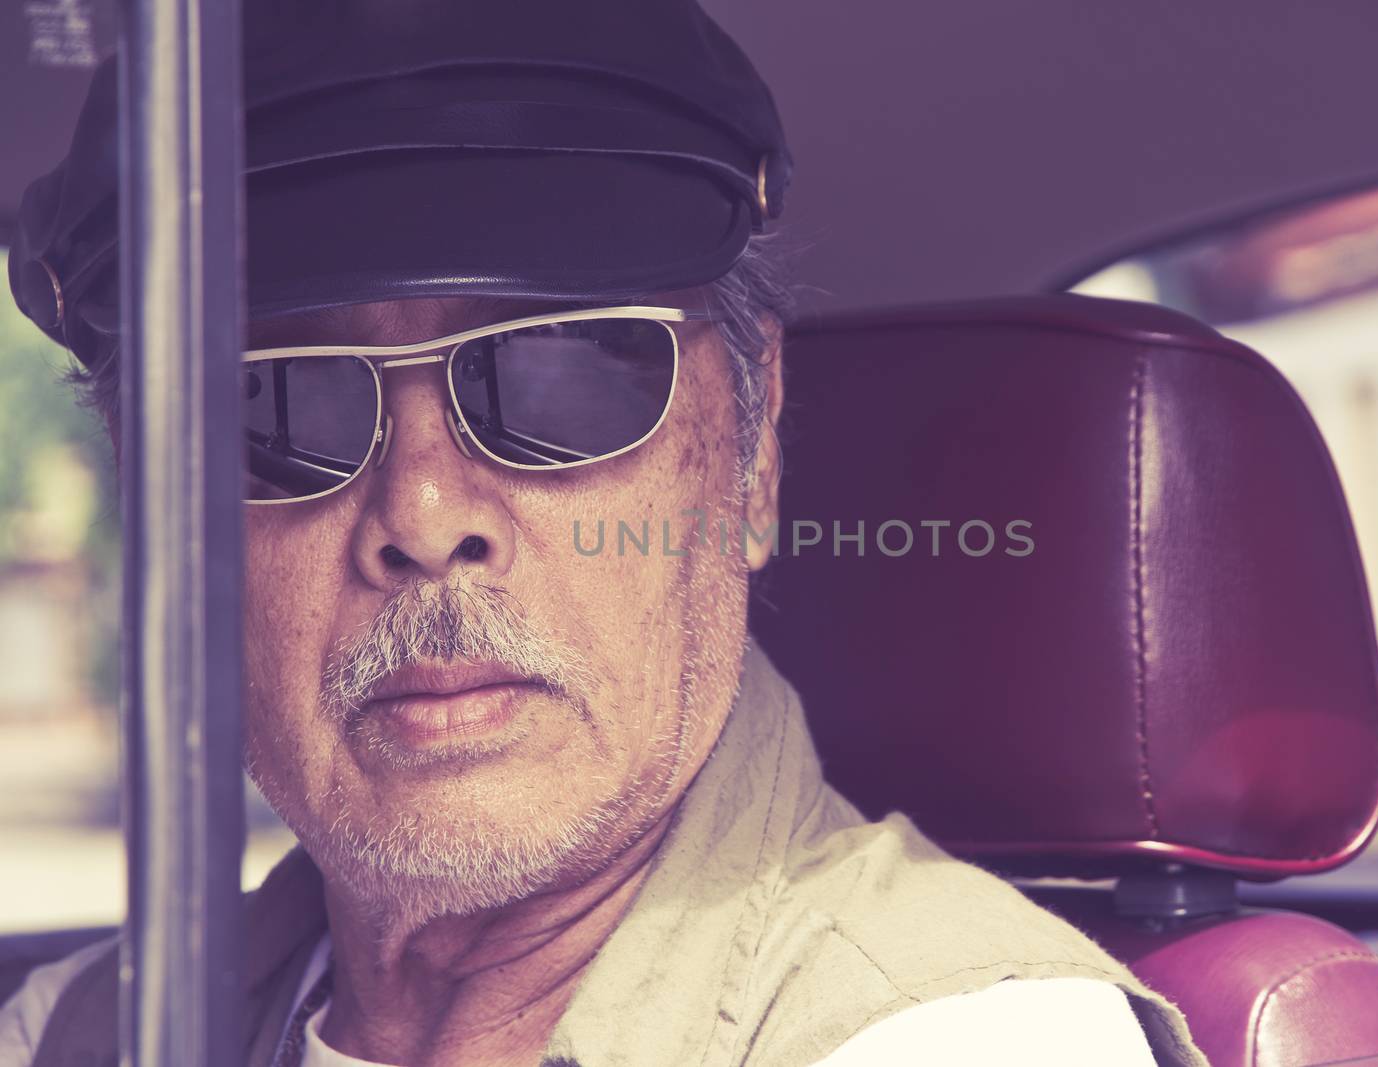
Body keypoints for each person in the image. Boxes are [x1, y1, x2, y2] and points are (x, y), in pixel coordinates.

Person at [1, 2, 1204, 1064]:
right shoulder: (71, 1031)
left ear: (751, 448)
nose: (423, 519)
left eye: (562, 373)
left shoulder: (951, 1037)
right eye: (276, 407)